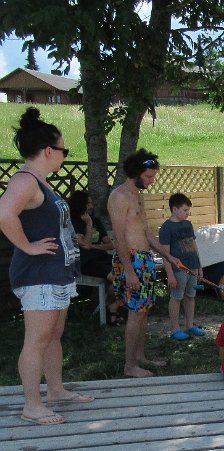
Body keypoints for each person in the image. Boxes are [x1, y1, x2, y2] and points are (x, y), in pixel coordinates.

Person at [0, 107, 92, 425]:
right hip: (38, 274)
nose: (65, 156)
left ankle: (55, 391)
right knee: (37, 339)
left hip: (55, 273)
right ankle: (32, 405)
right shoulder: (25, 180)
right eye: (64, 150)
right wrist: (27, 246)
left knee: (54, 334)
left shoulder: (40, 182)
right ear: (49, 150)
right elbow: (4, 213)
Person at [108, 149, 180, 377]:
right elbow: (118, 236)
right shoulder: (119, 196)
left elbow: (146, 233)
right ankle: (129, 366)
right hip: (131, 260)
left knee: (144, 311)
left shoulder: (137, 195)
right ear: (136, 172)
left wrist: (168, 256)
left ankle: (140, 358)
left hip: (144, 260)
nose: (152, 181)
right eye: (148, 176)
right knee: (136, 313)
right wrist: (129, 270)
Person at [68, 190, 124, 325]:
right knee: (118, 279)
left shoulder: (97, 221)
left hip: (103, 258)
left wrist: (93, 246)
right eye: (88, 203)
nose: (91, 206)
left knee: (128, 275)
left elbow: (109, 245)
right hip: (86, 262)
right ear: (80, 204)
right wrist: (89, 224)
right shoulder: (73, 223)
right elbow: (85, 246)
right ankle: (110, 310)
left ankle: (110, 307)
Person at [160, 193, 205, 340]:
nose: (187, 213)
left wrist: (199, 266)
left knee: (190, 296)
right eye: (185, 210)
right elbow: (165, 253)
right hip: (178, 269)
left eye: (188, 210)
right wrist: (170, 274)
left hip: (192, 267)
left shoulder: (188, 224)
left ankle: (189, 326)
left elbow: (194, 246)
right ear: (174, 209)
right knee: (177, 297)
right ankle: (175, 329)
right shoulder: (166, 227)